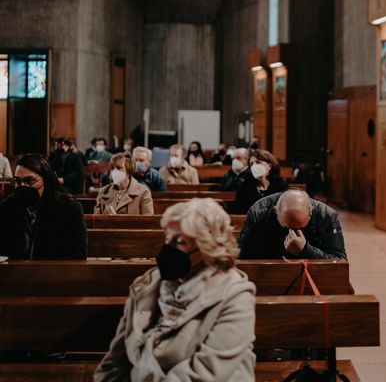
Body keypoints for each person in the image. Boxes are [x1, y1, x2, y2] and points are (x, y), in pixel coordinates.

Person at [93, 198, 256, 381]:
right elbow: (117, 360)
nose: (167, 249)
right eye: (167, 238)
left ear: (207, 248)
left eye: (179, 242)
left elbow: (205, 373)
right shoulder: (148, 284)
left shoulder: (235, 296)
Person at [0, 154, 87, 260]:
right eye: (18, 181)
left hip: (52, 273)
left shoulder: (69, 209)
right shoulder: (7, 207)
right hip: (14, 274)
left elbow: (76, 255)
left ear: (46, 181)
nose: (23, 187)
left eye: (30, 181)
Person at [238, 189, 346, 260]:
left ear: (311, 211)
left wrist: (306, 250)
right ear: (276, 211)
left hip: (313, 275)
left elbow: (340, 262)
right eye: (286, 227)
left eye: (301, 227)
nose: (292, 234)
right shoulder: (259, 212)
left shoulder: (327, 215)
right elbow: (244, 255)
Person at [233, 149, 287, 214]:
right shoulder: (244, 186)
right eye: (251, 164)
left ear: (269, 166)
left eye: (258, 162)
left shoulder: (280, 185)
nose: (254, 166)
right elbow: (239, 211)